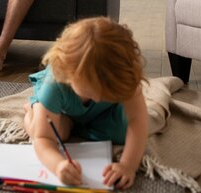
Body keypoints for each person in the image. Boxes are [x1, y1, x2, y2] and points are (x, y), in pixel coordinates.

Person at [23, 17, 148, 190]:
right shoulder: (55, 84)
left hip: (100, 113)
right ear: (69, 72)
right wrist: (58, 165)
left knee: (121, 133)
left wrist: (128, 165)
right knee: (54, 132)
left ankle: (68, 121)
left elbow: (138, 119)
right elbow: (42, 139)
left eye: (107, 94)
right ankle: (34, 109)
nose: (97, 99)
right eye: (90, 92)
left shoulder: (123, 77)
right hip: (65, 106)